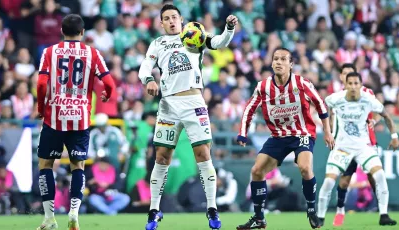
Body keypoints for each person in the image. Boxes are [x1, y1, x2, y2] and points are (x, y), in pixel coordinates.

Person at [138, 4, 238, 230]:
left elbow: (219, 42)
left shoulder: (195, 34)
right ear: (161, 23)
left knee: (203, 154)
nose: (172, 21)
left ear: (181, 20)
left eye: (174, 17)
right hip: (168, 105)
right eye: (167, 18)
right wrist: (149, 80)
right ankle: (154, 210)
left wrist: (229, 29)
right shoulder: (157, 43)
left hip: (194, 103)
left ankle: (212, 208)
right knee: (162, 157)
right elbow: (145, 67)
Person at [236, 48, 335, 229]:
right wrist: (243, 132)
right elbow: (249, 109)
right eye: (275, 59)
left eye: (283, 59)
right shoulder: (263, 86)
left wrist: (327, 132)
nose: (278, 62)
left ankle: (312, 210)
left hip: (302, 133)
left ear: (291, 64)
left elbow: (321, 105)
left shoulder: (301, 83)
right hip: (278, 136)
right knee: (257, 171)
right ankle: (259, 218)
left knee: (305, 167)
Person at [36, 14, 115, 230]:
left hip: (54, 116)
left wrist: (41, 108)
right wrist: (107, 94)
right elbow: (109, 82)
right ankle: (74, 214)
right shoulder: (92, 52)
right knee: (77, 166)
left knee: (46, 165)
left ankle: (50, 218)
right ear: (82, 33)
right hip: (80, 117)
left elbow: (42, 84)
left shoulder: (50, 52)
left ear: (62, 31)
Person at [318, 72, 397, 227]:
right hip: (342, 148)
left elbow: (386, 115)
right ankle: (320, 217)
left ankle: (384, 215)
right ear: (345, 85)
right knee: (329, 181)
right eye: (350, 83)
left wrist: (394, 136)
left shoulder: (368, 99)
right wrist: (328, 130)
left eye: (356, 83)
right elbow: (322, 107)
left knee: (379, 175)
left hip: (362, 146)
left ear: (361, 85)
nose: (353, 87)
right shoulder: (335, 98)